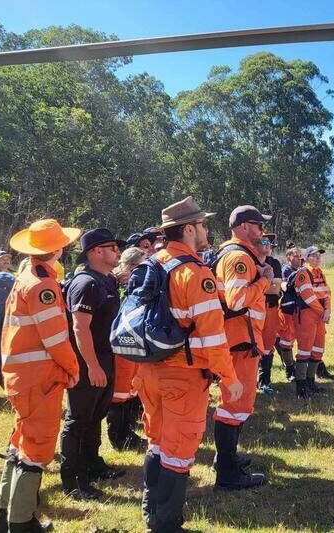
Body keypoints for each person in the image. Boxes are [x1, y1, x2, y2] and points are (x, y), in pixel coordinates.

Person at [136, 196, 242, 532]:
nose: (207, 230)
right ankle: (166, 524)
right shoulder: (195, 274)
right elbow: (212, 337)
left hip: (149, 370)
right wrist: (229, 377)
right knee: (180, 449)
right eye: (203, 225)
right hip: (182, 376)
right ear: (188, 229)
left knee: (158, 439)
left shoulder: (154, 264)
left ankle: (151, 510)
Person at [0, 219, 81, 533]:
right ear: (56, 249)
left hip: (23, 377)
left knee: (21, 445)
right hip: (38, 380)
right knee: (36, 450)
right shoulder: (43, 285)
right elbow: (56, 338)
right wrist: (72, 368)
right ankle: (21, 524)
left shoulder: (26, 275)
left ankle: (9, 518)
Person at [59, 229, 127, 500]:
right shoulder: (85, 283)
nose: (117, 252)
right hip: (89, 361)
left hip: (105, 357)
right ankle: (73, 479)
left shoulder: (105, 280)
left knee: (95, 415)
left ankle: (92, 465)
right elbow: (80, 328)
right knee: (78, 419)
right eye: (112, 247)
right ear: (96, 252)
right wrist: (92, 366)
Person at [212, 205, 273, 490]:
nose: (262, 231)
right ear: (245, 227)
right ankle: (226, 473)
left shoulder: (235, 254)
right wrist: (263, 281)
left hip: (240, 340)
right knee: (234, 405)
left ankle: (227, 459)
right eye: (259, 225)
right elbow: (237, 300)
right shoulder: (238, 256)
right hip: (239, 341)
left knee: (236, 404)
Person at [107, 247, 148, 451]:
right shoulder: (117, 283)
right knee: (120, 392)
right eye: (142, 263)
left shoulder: (137, 283)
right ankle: (118, 436)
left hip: (133, 342)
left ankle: (127, 431)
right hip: (120, 345)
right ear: (131, 266)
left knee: (131, 390)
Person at [293, 246, 331, 398]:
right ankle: (300, 387)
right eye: (314, 256)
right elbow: (308, 297)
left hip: (319, 316)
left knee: (318, 350)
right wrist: (324, 312)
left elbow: (327, 292)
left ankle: (311, 382)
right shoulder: (303, 273)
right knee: (304, 351)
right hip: (306, 316)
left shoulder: (320, 272)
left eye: (319, 256)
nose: (318, 258)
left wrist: (328, 309)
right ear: (307, 258)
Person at [257, 233, 283, 394]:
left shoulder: (274, 263)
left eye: (270, 245)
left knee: (268, 344)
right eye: (265, 243)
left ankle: (264, 380)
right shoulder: (250, 260)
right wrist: (268, 282)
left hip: (271, 307)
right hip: (252, 308)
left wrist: (260, 283)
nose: (268, 247)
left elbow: (276, 288)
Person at [277, 246, 302, 381]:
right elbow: (285, 286)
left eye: (300, 256)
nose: (299, 258)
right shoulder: (286, 270)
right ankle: (289, 369)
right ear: (288, 258)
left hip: (299, 311)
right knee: (287, 341)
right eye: (296, 256)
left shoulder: (300, 270)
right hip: (288, 310)